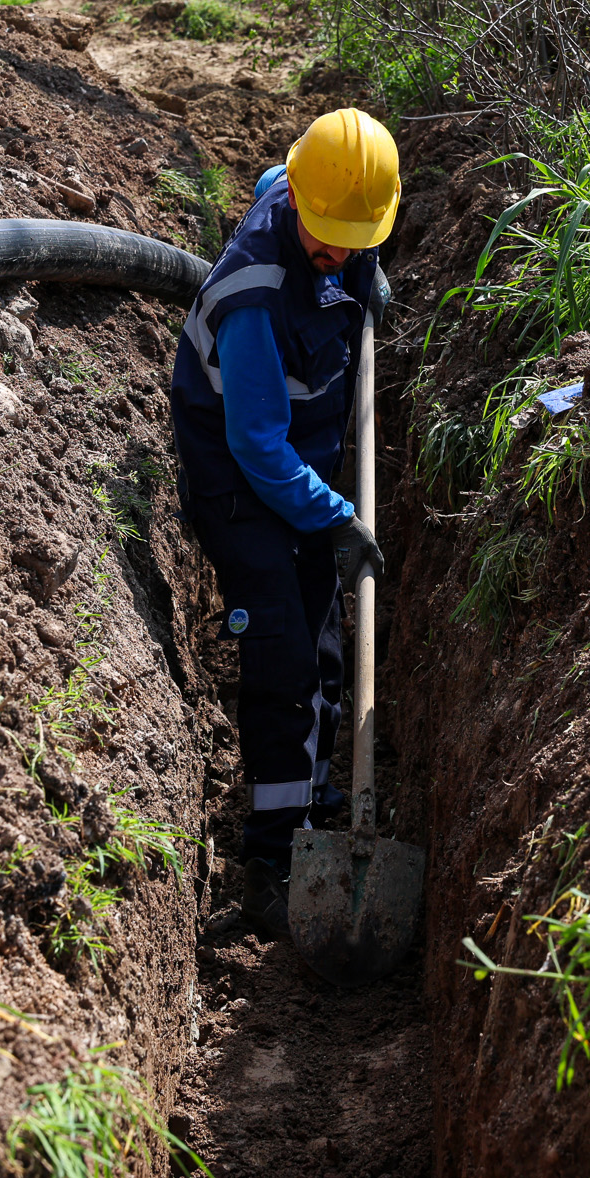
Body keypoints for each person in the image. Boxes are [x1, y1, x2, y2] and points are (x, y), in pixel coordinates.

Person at [168, 107, 398, 940]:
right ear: (298, 201)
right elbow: (258, 447)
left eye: (358, 234)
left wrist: (363, 271)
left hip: (294, 469)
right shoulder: (255, 299)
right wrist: (337, 517)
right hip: (240, 482)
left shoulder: (305, 192)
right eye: (332, 236)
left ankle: (321, 797)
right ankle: (268, 862)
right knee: (284, 662)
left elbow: (341, 224)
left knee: (327, 644)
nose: (341, 247)